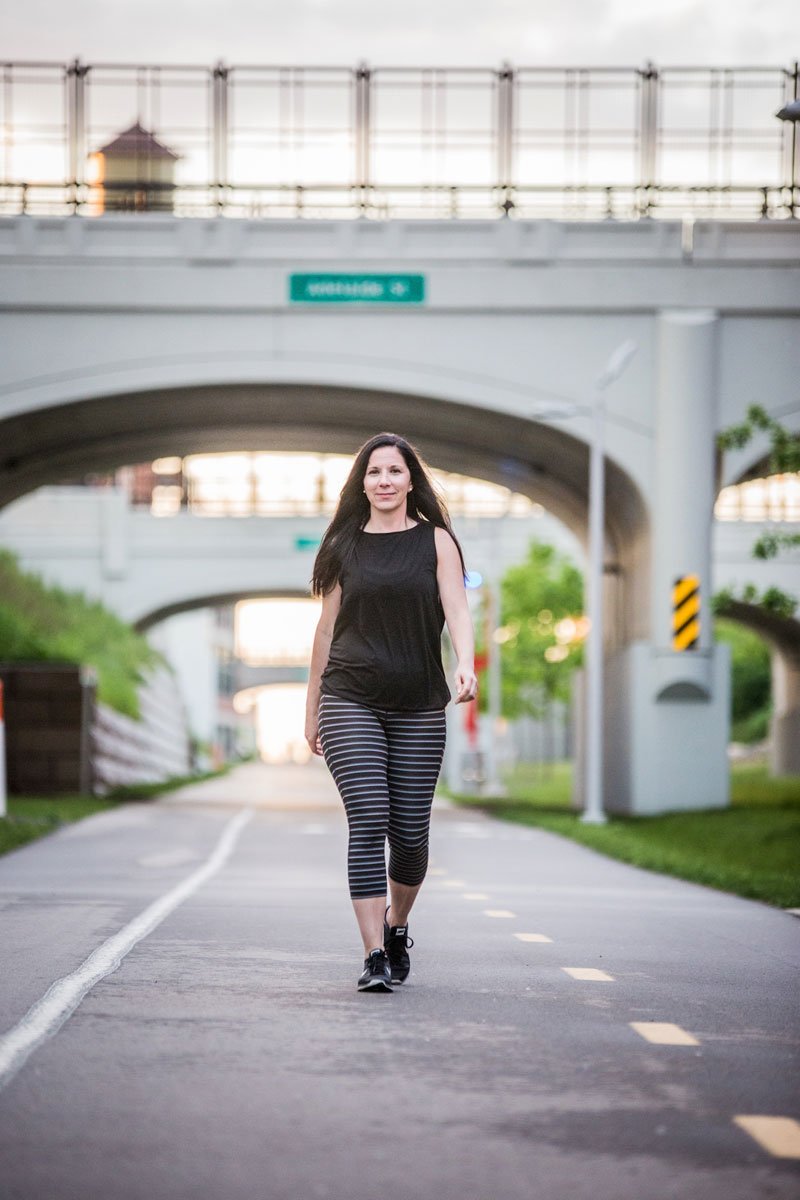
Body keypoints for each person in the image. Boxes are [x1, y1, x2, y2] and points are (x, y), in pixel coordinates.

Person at [305, 432, 478, 993]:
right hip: (349, 697)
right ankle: (374, 955)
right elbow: (327, 629)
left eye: (394, 472)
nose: (384, 481)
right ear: (362, 483)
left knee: (409, 835)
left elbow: (456, 607)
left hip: (419, 703)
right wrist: (313, 708)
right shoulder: (343, 546)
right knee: (369, 819)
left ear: (410, 481)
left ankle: (396, 924)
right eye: (374, 472)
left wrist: (466, 665)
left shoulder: (436, 543)